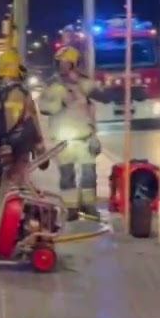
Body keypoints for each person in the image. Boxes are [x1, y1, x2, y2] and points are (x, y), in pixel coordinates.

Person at [0, 49, 48, 209]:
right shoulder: (23, 93)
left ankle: (0, 223)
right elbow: (33, 120)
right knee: (17, 187)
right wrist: (41, 148)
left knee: (1, 187)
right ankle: (22, 222)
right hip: (19, 148)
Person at [37, 45, 102, 220]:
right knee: (67, 176)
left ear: (74, 64)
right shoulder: (52, 85)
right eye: (60, 63)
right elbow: (42, 106)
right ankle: (71, 208)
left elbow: (99, 98)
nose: (62, 66)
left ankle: (89, 205)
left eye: (66, 63)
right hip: (63, 139)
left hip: (84, 137)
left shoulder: (85, 83)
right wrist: (59, 104)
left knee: (89, 174)